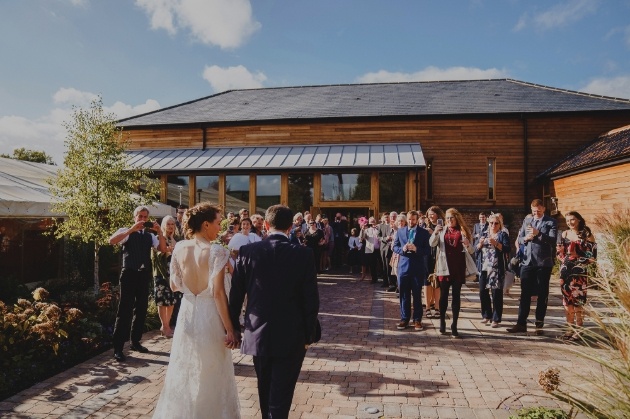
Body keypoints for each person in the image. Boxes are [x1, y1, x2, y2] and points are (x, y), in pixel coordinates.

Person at [229, 205, 320, 419]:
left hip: (258, 333)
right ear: (290, 227)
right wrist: (309, 335)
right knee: (282, 395)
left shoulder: (248, 252)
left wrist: (234, 328)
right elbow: (311, 299)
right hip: (293, 334)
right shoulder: (304, 254)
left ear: (266, 225)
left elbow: (235, 297)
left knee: (265, 388)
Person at [153, 202, 240, 418]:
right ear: (206, 224)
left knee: (186, 368)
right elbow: (219, 294)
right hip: (210, 316)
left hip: (187, 315)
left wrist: (191, 287)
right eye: (218, 223)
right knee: (211, 372)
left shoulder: (180, 247)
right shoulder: (217, 251)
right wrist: (230, 329)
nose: (220, 228)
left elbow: (174, 285)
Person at [109, 206, 167, 362]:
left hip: (143, 275)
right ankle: (118, 348)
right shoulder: (125, 231)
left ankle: (135, 342)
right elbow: (111, 241)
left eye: (145, 217)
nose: (142, 219)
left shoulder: (149, 236)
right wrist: (130, 230)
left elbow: (162, 248)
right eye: (139, 216)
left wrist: (159, 231)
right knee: (125, 310)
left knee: (141, 309)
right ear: (134, 217)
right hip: (128, 274)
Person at [507, 199, 558, 334]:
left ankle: (539, 325)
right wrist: (525, 239)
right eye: (534, 211)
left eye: (539, 211)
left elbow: (552, 240)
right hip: (527, 262)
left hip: (543, 263)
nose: (536, 213)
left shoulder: (551, 222)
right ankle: (521, 324)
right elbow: (519, 239)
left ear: (543, 209)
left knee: (542, 294)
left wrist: (538, 234)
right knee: (525, 294)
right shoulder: (527, 221)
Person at [430, 208, 474, 338]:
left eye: (451, 218)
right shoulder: (441, 231)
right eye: (447, 218)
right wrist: (435, 233)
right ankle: (442, 321)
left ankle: (454, 325)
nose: (449, 220)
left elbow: (471, 251)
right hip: (444, 268)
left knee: (456, 296)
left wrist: (467, 244)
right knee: (443, 296)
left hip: (458, 268)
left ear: (456, 219)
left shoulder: (463, 231)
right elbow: (431, 244)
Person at [556, 211, 596, 341]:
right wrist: (564, 259)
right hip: (565, 271)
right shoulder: (564, 234)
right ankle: (569, 328)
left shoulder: (587, 235)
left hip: (579, 272)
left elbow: (592, 258)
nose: (570, 222)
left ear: (579, 219)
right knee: (567, 301)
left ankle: (579, 329)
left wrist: (576, 256)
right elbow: (558, 253)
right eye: (567, 220)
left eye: (572, 219)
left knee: (578, 300)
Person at [393, 210, 431, 331]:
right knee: (404, 295)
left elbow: (428, 251)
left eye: (413, 219)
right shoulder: (400, 231)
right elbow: (394, 246)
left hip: (417, 268)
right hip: (403, 268)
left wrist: (417, 249)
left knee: (417, 295)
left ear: (417, 220)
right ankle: (404, 319)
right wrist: (402, 249)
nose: (411, 222)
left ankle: (417, 320)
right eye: (409, 219)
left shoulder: (424, 233)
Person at [477, 214, 511, 328]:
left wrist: (496, 243)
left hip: (496, 268)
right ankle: (486, 315)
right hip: (484, 267)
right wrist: (480, 244)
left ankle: (496, 318)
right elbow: (476, 250)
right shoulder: (484, 233)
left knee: (496, 293)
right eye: (491, 223)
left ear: (499, 224)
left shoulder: (502, 235)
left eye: (496, 223)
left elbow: (507, 248)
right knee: (482, 291)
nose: (493, 225)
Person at [151, 215, 179, 338]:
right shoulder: (158, 237)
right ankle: (165, 326)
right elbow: (156, 254)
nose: (170, 226)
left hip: (172, 274)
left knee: (172, 300)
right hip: (161, 273)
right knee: (162, 300)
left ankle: (166, 325)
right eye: (168, 224)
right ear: (163, 225)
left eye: (172, 224)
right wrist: (167, 250)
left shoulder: (176, 240)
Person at [424, 206, 445, 318]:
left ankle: (437, 307)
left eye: (432, 214)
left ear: (438, 214)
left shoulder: (442, 226)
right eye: (429, 214)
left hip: (438, 256)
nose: (430, 216)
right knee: (427, 281)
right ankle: (427, 307)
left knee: (437, 280)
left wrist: (434, 232)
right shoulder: (424, 226)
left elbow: (443, 241)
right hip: (426, 256)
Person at [360, 216, 381, 283]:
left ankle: (384, 277)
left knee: (381, 263)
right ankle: (374, 279)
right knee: (372, 265)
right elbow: (361, 238)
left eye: (373, 222)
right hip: (370, 248)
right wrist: (362, 230)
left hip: (379, 248)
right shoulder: (367, 230)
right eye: (371, 222)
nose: (372, 224)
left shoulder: (379, 228)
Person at [377, 213, 394, 289]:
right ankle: (385, 281)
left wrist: (391, 238)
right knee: (383, 265)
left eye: (388, 217)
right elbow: (378, 236)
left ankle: (391, 282)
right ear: (382, 218)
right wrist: (384, 239)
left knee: (389, 265)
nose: (386, 219)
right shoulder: (380, 226)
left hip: (390, 247)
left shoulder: (392, 225)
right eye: (385, 217)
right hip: (383, 247)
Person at [472, 212, 489, 283]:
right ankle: (477, 276)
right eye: (481, 217)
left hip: (484, 246)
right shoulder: (476, 225)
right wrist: (477, 236)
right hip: (477, 245)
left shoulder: (488, 225)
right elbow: (473, 235)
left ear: (485, 218)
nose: (482, 219)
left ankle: (484, 276)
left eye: (483, 217)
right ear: (479, 218)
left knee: (483, 260)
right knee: (476, 259)